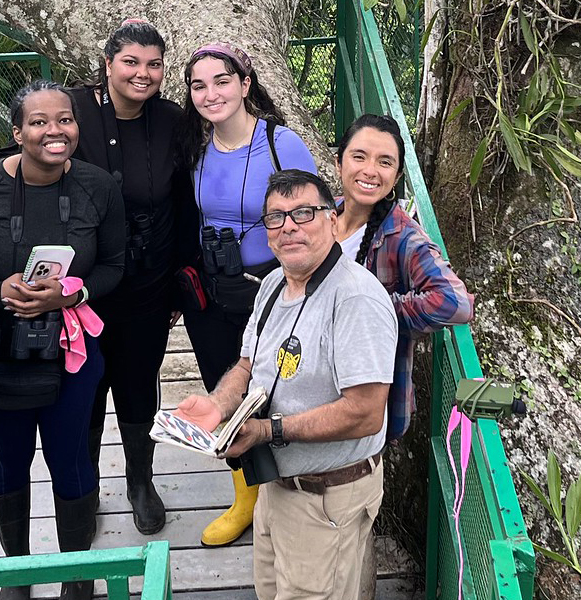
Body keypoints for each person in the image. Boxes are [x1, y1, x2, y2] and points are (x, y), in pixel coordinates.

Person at [0, 80, 124, 600]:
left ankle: (77, 575)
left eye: (65, 119)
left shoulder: (98, 187)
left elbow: (114, 266)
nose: (54, 131)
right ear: (17, 131)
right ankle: (17, 574)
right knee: (9, 462)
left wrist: (68, 295)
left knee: (72, 460)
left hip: (72, 350)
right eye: (39, 122)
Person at [176, 169, 398, 600]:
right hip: (277, 485)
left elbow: (366, 413)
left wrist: (266, 431)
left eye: (303, 213)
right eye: (275, 218)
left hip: (327, 496)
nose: (289, 227)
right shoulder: (275, 283)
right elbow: (248, 363)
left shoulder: (355, 299)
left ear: (332, 220)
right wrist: (219, 405)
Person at [179, 42, 318, 547]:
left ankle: (291, 492)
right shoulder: (194, 148)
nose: (211, 93)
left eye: (221, 81)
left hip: (274, 284)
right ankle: (245, 498)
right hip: (213, 289)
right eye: (199, 85)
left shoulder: (281, 143)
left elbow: (314, 212)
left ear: (244, 83)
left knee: (281, 387)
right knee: (225, 389)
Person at [71, 18, 194, 535]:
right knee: (87, 388)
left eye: (154, 64)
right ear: (107, 65)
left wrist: (180, 285)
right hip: (82, 288)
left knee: (140, 385)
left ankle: (140, 480)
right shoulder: (72, 110)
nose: (142, 74)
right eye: (131, 62)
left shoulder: (172, 121)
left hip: (148, 282)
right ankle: (87, 484)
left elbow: (186, 204)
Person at [334, 113, 474, 442]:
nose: (370, 170)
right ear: (339, 163)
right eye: (359, 157)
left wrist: (377, 310)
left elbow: (455, 303)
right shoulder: (324, 216)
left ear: (396, 176)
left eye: (385, 162)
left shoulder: (402, 237)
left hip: (362, 406)